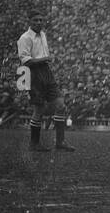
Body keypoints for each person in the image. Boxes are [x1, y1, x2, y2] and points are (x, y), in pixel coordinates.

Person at [16, 11, 75, 152]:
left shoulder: (42, 34)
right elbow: (25, 61)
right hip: (33, 73)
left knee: (60, 105)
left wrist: (45, 61)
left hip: (46, 71)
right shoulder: (24, 38)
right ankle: (34, 143)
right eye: (35, 20)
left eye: (41, 20)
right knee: (39, 109)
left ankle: (60, 142)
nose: (39, 22)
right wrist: (44, 59)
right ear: (29, 21)